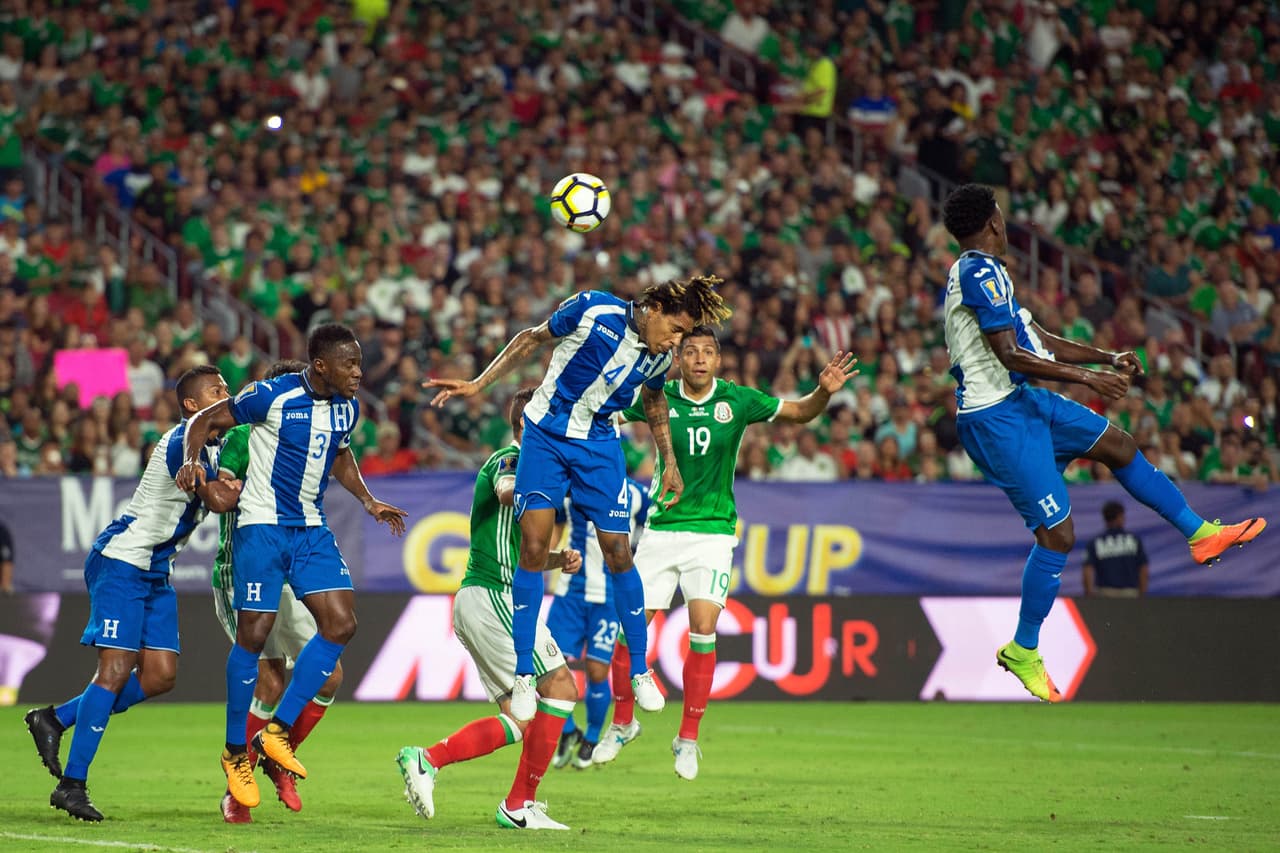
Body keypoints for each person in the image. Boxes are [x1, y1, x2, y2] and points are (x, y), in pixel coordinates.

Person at [940, 183, 1266, 702]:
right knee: (1058, 535)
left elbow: (1038, 341)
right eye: (1001, 212)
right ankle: (1024, 648)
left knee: (1119, 445)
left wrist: (1106, 357)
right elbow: (1010, 355)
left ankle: (1200, 533)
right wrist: (1088, 380)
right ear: (993, 222)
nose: (1005, 218)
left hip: (1021, 400)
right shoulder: (977, 273)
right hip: (994, 417)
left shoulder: (990, 273)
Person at [425, 276, 733, 723]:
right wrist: (478, 383)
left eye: (683, 334)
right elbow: (531, 338)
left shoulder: (658, 357)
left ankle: (640, 670)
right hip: (546, 436)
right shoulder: (593, 310)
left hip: (599, 445)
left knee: (619, 552)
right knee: (534, 548)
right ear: (654, 309)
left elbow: (653, 402)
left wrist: (668, 459)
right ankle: (524, 673)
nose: (676, 341)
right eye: (675, 329)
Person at [595, 326, 858, 778]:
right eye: (690, 352)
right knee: (630, 628)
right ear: (678, 359)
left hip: (713, 533)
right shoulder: (656, 396)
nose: (699, 359)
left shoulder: (737, 400)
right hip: (661, 529)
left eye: (707, 352)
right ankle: (622, 724)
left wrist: (823, 392)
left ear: (718, 361)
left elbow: (799, 412)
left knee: (703, 630)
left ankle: (687, 739)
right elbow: (605, 413)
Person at [177, 324, 408, 811]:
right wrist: (192, 460)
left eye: (359, 364)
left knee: (342, 624)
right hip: (262, 528)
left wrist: (368, 501)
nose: (358, 373)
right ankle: (234, 753)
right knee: (254, 637)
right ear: (320, 365)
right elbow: (206, 420)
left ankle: (276, 733)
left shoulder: (348, 408)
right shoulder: (270, 396)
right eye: (349, 364)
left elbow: (340, 454)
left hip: (310, 528)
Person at [24, 366, 242, 821]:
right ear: (192, 405)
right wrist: (231, 489)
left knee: (160, 675)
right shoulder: (181, 441)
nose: (226, 394)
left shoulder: (215, 449)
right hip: (123, 559)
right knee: (115, 670)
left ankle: (56, 719)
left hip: (156, 571)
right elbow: (219, 500)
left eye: (226, 387)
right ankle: (72, 785)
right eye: (216, 390)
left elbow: (222, 487)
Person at [396, 388, 583, 831]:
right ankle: (519, 803)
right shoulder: (512, 458)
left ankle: (430, 760)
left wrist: (558, 559)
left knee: (521, 718)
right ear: (529, 424)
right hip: (495, 595)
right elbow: (504, 489)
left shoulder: (536, 468)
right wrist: (536, 485)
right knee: (561, 687)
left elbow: (523, 552)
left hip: (484, 598)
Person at [209, 359, 343, 823]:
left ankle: (276, 755)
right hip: (244, 565)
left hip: (292, 568)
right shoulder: (245, 435)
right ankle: (236, 783)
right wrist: (239, 486)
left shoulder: (316, 431)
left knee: (330, 676)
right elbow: (223, 487)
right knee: (269, 679)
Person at [547, 476, 650, 770]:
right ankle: (569, 731)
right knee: (547, 666)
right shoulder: (568, 489)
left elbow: (651, 528)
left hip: (608, 597)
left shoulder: (635, 494)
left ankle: (592, 738)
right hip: (570, 593)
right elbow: (555, 526)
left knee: (596, 670)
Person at [1082, 501, 1148, 598]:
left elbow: (1087, 569)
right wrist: (1142, 594)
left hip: (1105, 593)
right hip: (1130, 594)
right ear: (1120, 516)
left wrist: (1089, 594)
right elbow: (1143, 568)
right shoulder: (1134, 540)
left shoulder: (1095, 542)